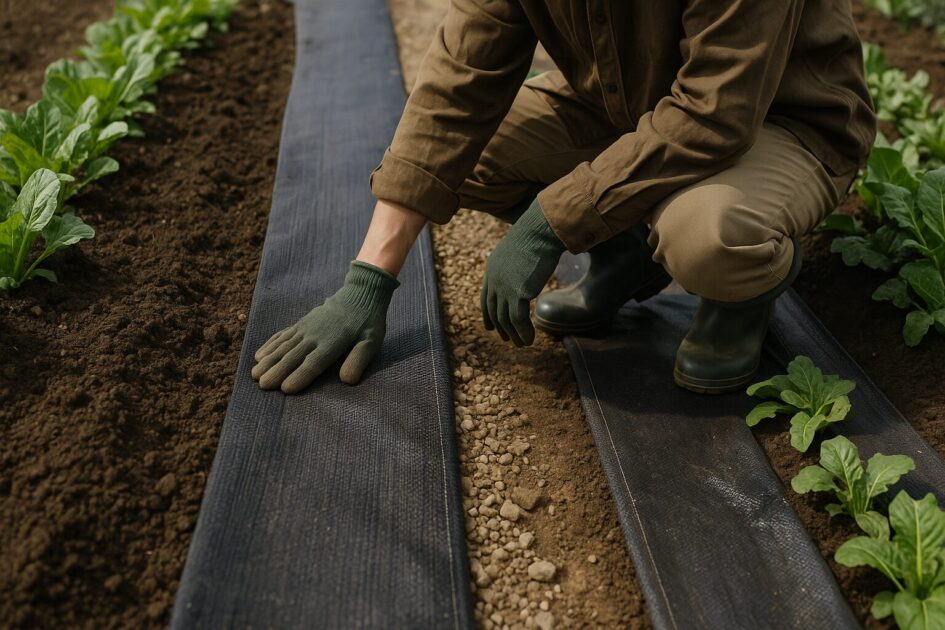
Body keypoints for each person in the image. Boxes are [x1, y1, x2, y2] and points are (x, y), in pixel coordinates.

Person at [251, 0, 876, 395]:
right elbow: (456, 88)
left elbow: (715, 114)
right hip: (629, 107)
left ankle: (742, 292)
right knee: (469, 159)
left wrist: (548, 223)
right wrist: (369, 280)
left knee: (705, 234)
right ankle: (628, 253)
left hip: (778, 118)